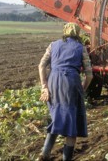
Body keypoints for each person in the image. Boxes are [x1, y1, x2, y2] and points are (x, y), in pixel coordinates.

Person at [38, 23, 93, 161]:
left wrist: (44, 86)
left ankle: (44, 154)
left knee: (57, 117)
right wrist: (82, 89)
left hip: (53, 81)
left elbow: (41, 65)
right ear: (78, 34)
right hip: (71, 82)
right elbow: (89, 75)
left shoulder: (53, 45)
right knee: (72, 122)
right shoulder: (81, 48)